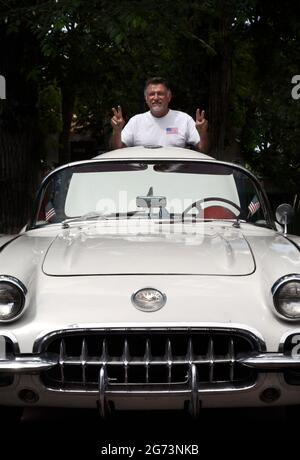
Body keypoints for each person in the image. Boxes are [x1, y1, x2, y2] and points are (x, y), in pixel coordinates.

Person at [110, 77, 209, 153]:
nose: (156, 98)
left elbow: (204, 150)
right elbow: (117, 149)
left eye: (160, 93)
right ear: (146, 98)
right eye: (151, 94)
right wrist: (117, 131)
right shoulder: (136, 121)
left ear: (169, 97)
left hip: (175, 175)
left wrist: (202, 133)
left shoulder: (184, 119)